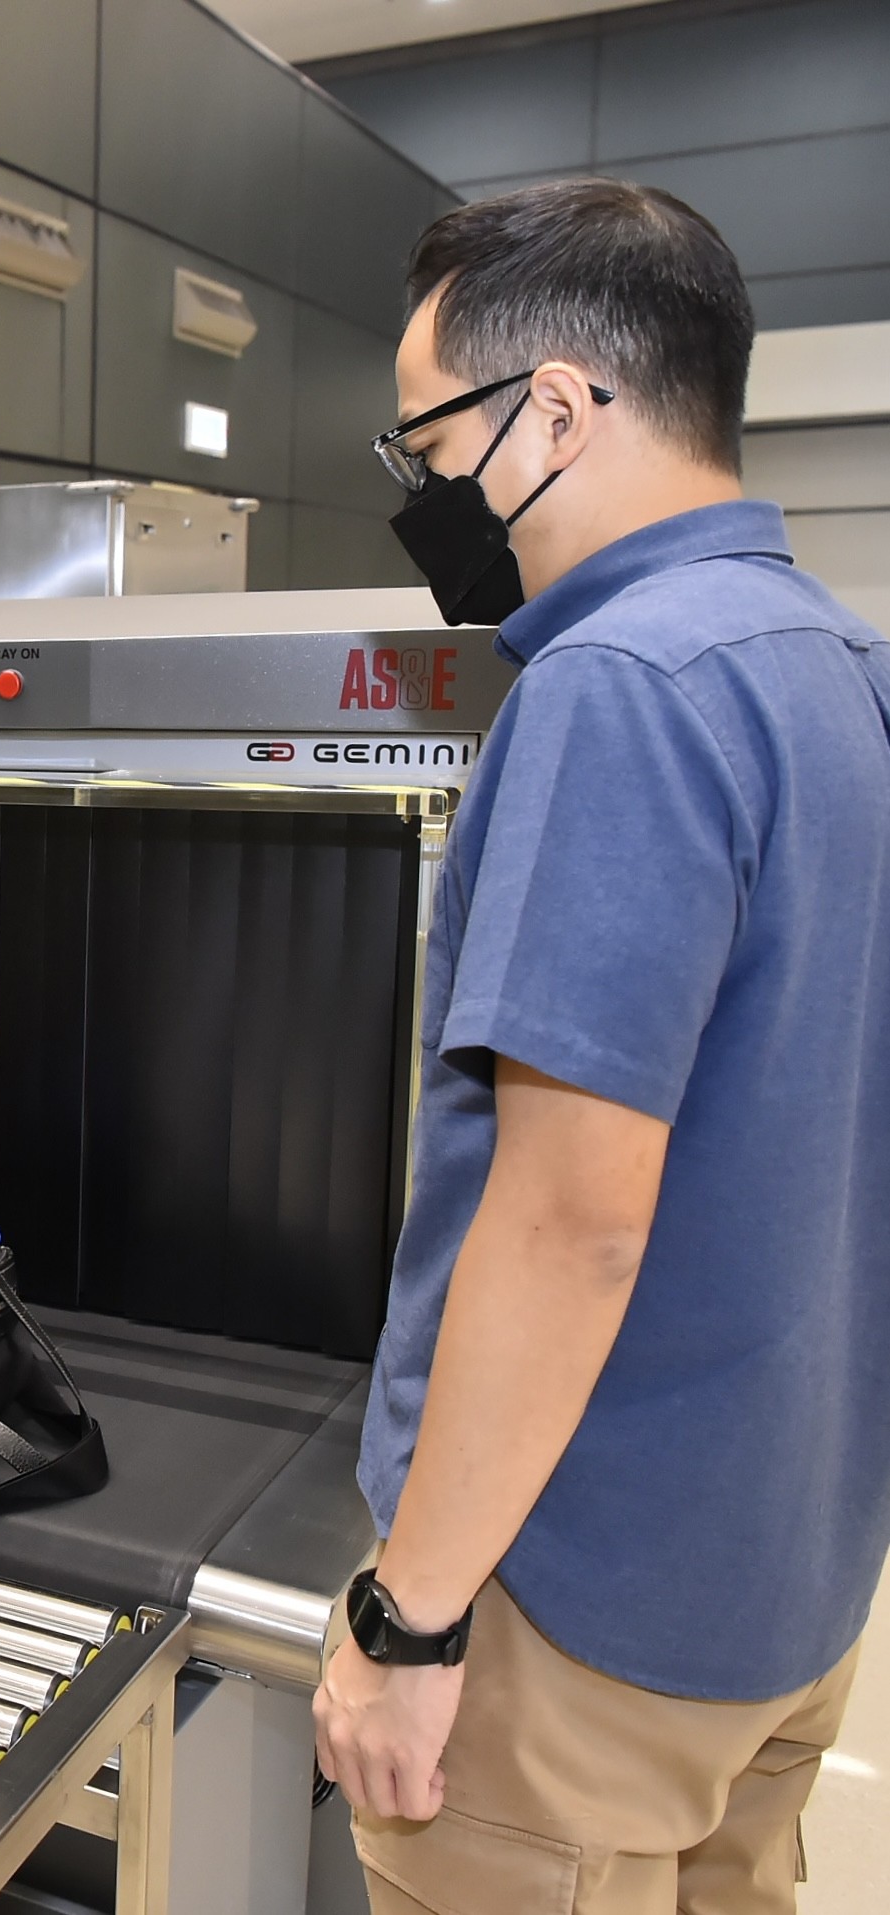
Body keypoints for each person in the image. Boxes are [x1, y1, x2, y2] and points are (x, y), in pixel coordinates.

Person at [314, 177, 890, 1913]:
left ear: (553, 410)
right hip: (782, 1581)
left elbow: (572, 1221)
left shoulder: (617, 689)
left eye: (430, 443)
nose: (427, 492)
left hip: (572, 1614)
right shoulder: (843, 663)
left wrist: (409, 1618)